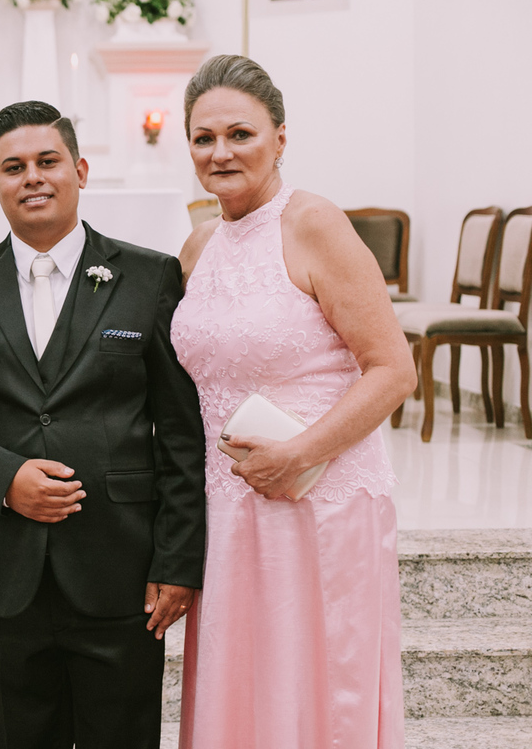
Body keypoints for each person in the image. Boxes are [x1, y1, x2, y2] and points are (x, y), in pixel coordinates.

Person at [0, 101, 207, 749]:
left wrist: (178, 561)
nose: (32, 177)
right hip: (7, 571)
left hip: (121, 567)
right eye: (14, 167)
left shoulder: (149, 277)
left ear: (80, 170)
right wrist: (5, 479)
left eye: (47, 161)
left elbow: (181, 429)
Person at [170, 55, 416, 749]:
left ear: (280, 138)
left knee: (314, 687)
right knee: (243, 686)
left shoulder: (312, 223)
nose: (221, 152)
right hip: (228, 509)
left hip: (315, 500)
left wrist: (299, 453)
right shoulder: (198, 246)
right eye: (204, 138)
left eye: (240, 134)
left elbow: (393, 370)